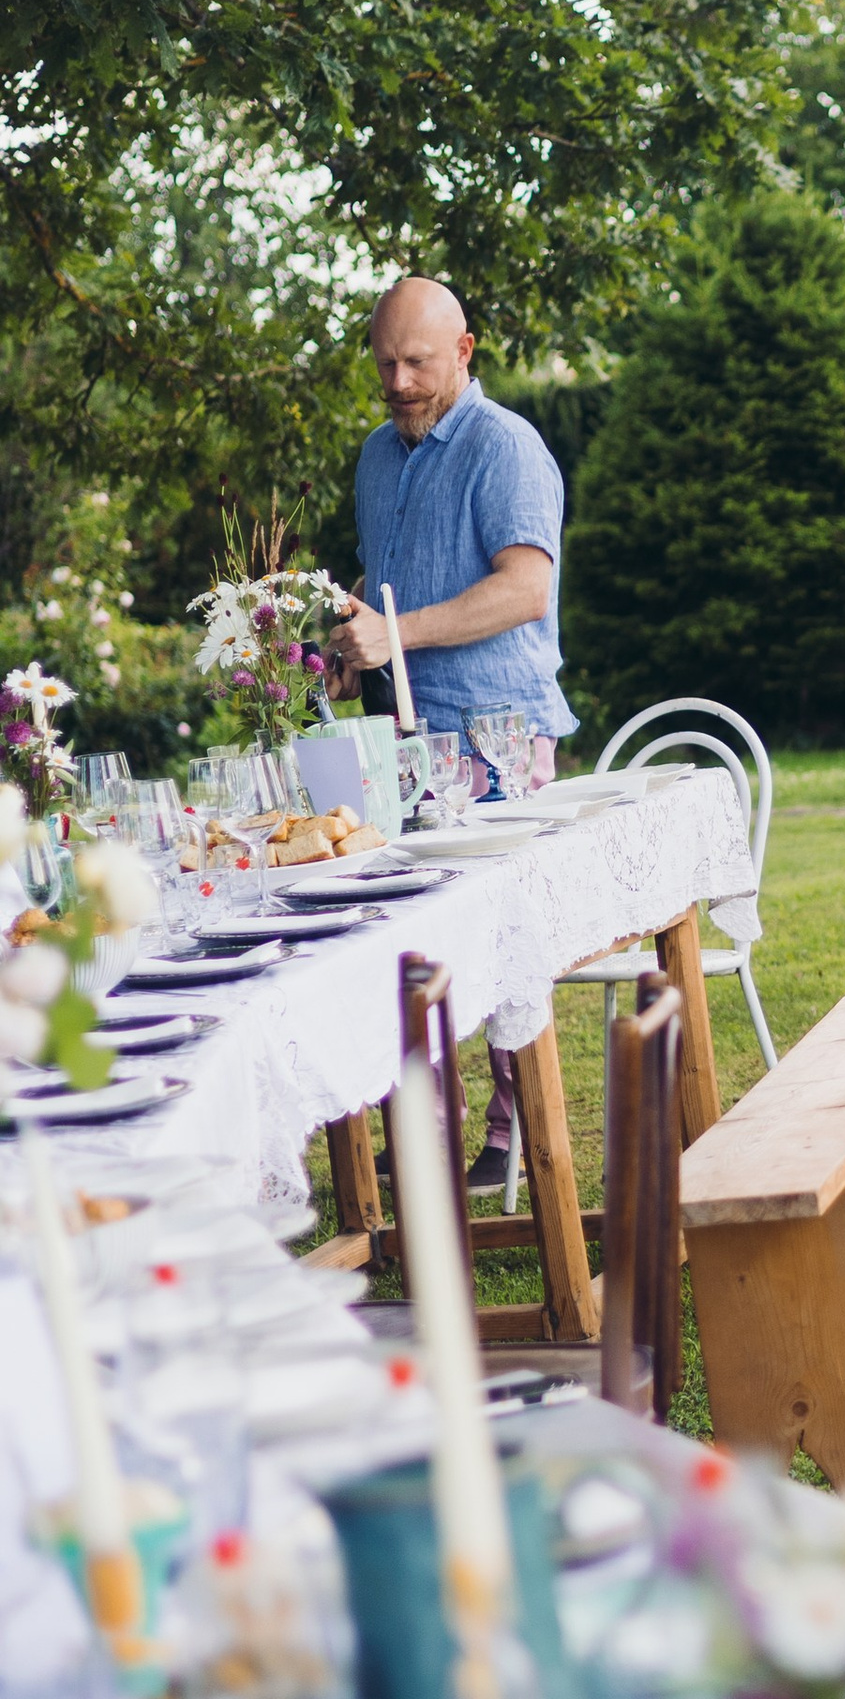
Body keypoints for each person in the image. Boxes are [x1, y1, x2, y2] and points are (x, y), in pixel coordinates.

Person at [327, 273, 576, 1183]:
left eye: (418, 362)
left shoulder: (506, 447)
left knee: (503, 941)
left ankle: (513, 1138)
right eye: (385, 363)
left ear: (464, 353)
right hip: (399, 740)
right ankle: (427, 1128)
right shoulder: (375, 456)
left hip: (496, 737)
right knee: (404, 940)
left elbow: (526, 588)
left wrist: (401, 631)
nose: (398, 381)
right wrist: (353, 639)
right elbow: (391, 581)